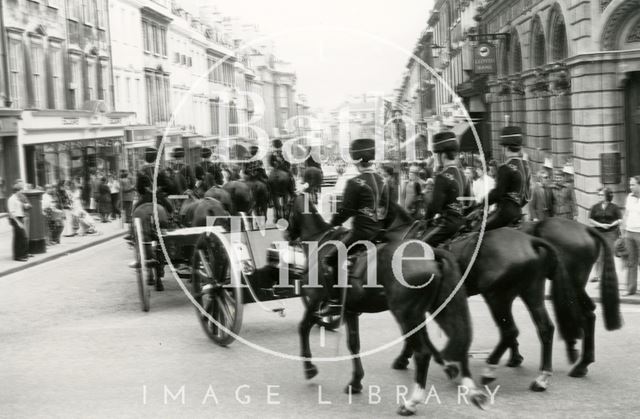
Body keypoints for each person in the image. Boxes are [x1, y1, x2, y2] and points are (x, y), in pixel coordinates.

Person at [324, 138, 390, 307]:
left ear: (357, 159)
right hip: (381, 233)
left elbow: (346, 211)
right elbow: (388, 209)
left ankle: (335, 301)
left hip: (361, 233)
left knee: (330, 259)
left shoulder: (354, 183)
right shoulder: (384, 181)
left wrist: (332, 223)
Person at [421, 131, 471, 247]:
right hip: (462, 222)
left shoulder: (442, 177)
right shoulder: (464, 175)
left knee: (420, 246)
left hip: (447, 224)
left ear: (442, 155)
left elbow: (435, 207)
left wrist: (426, 220)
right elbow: (468, 202)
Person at [480, 126, 532, 230]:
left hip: (504, 213)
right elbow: (528, 195)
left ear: (505, 147)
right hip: (518, 213)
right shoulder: (526, 166)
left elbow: (498, 193)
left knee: (478, 232)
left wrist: (483, 202)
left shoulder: (505, 167)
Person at [588, 187, 622, 283]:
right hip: (598, 232)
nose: (599, 196)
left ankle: (609, 275)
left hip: (610, 233)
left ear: (607, 196)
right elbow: (590, 219)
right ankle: (597, 276)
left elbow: (620, 219)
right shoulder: (595, 207)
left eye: (601, 195)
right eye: (598, 195)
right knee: (598, 255)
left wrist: (612, 224)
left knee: (609, 255)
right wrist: (601, 225)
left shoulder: (614, 207)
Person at [622, 176, 640, 296]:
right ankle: (631, 289)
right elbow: (626, 214)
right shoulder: (629, 197)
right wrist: (623, 231)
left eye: (633, 184)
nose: (631, 187)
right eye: (630, 184)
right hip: (629, 233)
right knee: (631, 262)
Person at [7, 179, 31, 261]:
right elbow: (11, 213)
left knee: (18, 238)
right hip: (15, 219)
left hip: (20, 218)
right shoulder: (11, 199)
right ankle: (19, 256)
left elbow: (21, 208)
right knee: (21, 237)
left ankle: (20, 255)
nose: (21, 192)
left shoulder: (17, 199)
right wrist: (18, 223)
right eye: (20, 191)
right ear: (16, 191)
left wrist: (25, 207)